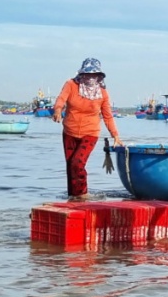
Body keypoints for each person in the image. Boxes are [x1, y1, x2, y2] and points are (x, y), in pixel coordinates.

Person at [51, 58, 123, 200]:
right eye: (87, 74)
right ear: (81, 74)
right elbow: (61, 99)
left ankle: (82, 194)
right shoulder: (71, 84)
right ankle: (73, 197)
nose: (90, 78)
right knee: (70, 165)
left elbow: (107, 116)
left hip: (90, 133)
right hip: (69, 131)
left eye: (94, 75)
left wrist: (115, 136)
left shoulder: (103, 93)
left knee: (77, 162)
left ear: (99, 77)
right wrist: (58, 110)